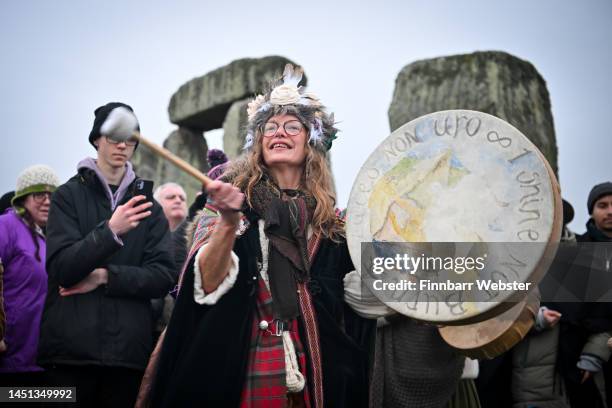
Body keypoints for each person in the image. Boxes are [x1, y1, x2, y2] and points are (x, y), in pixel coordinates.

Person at [142, 65, 375, 407]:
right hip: (241, 363)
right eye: (270, 126)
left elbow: (364, 298)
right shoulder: (229, 205)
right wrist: (228, 221)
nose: (279, 132)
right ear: (258, 141)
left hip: (321, 373)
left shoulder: (333, 227)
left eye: (292, 126)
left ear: (311, 141)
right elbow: (204, 282)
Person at [38, 102, 175, 407]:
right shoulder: (66, 196)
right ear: (97, 139)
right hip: (69, 354)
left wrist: (105, 276)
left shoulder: (150, 208)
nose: (123, 145)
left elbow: (164, 276)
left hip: (127, 356)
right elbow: (61, 268)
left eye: (131, 139)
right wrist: (110, 231)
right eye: (115, 137)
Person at [0, 165, 59, 385]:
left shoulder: (51, 237)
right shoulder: (6, 226)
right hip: (9, 356)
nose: (47, 201)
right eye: (38, 195)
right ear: (23, 198)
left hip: (42, 358)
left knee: (60, 398)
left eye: (52, 195)